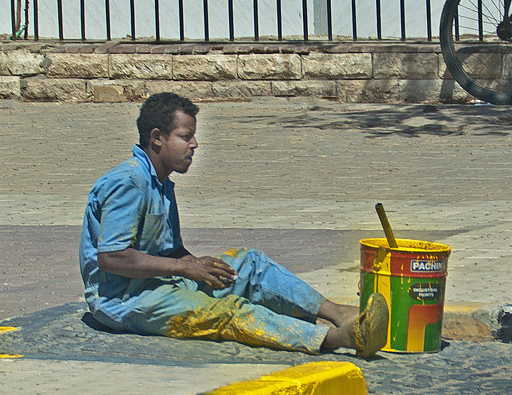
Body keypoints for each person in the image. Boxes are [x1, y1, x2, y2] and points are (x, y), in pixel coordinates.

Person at [79, 92, 389, 357]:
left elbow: (170, 252)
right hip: (124, 300)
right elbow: (112, 258)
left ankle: (339, 313)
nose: (195, 144)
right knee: (228, 311)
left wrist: (196, 264)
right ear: (157, 138)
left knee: (248, 264)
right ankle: (338, 339)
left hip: (160, 281)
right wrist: (186, 269)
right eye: (186, 137)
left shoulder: (160, 183)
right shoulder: (130, 181)